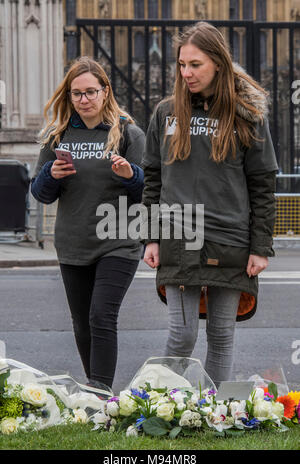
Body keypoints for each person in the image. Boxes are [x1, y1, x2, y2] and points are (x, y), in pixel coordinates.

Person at [142, 22, 278, 388]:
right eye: (181, 64)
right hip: (178, 237)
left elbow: (263, 183)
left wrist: (261, 247)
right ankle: (160, 406)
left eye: (195, 64)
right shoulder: (166, 113)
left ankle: (212, 413)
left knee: (220, 336)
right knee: (181, 337)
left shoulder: (247, 115)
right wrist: (150, 238)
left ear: (218, 62)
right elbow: (153, 179)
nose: (186, 73)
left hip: (230, 241)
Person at [31, 56, 145, 394]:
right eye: (76, 93)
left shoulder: (127, 133)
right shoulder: (58, 136)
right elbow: (40, 194)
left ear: (105, 91)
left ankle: (99, 392)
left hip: (118, 241)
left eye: (91, 92)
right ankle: (95, 392)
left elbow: (149, 190)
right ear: (69, 96)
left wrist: (130, 175)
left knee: (101, 316)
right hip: (73, 242)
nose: (84, 100)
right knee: (82, 324)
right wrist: (50, 175)